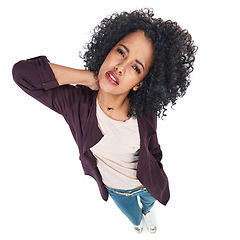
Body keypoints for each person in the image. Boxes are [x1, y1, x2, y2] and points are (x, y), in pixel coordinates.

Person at [12, 8, 197, 233]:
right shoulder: (76, 104)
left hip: (147, 183)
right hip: (116, 190)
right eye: (121, 52)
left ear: (140, 83)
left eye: (136, 68)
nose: (120, 67)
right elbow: (22, 73)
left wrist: (156, 166)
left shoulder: (146, 112)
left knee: (149, 204)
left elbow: (152, 145)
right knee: (133, 218)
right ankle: (138, 224)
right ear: (108, 49)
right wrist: (87, 77)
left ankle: (149, 213)